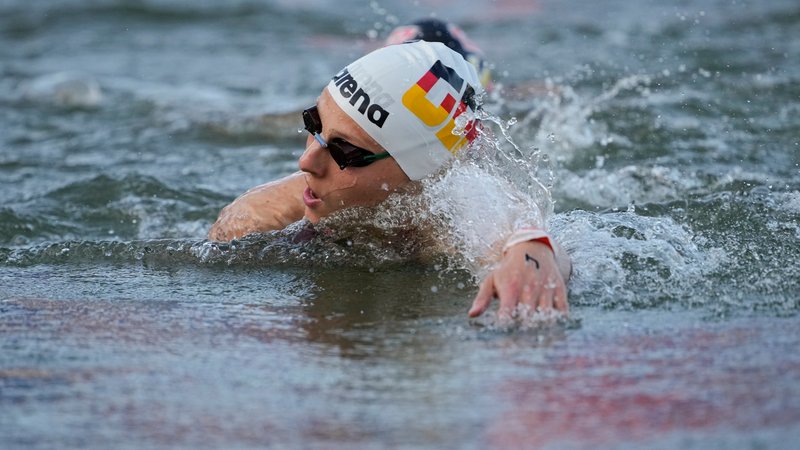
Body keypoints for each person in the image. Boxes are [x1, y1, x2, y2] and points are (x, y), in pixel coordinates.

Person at [208, 39, 571, 319]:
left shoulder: (450, 214)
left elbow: (521, 236)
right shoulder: (259, 219)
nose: (307, 161)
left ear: (419, 175)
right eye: (312, 124)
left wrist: (534, 252)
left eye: (345, 152)